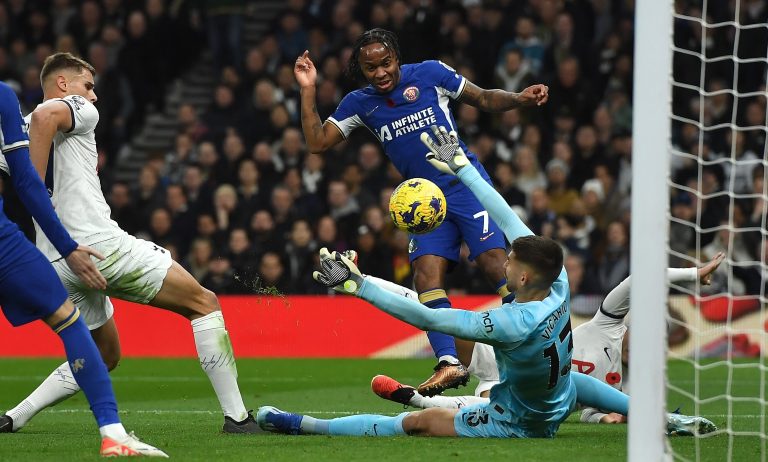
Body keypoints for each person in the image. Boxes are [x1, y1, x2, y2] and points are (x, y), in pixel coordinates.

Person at [254, 126, 635, 439]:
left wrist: (359, 286)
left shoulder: (510, 322)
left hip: (521, 422)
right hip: (557, 397)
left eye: (510, 260)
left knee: (415, 425)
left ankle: (306, 425)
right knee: (570, 384)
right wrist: (464, 168)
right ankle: (666, 418)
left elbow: (431, 320)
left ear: (523, 276)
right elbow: (505, 216)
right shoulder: (558, 282)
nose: (503, 261)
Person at [0, 52, 258, 434]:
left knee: (104, 354)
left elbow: (17, 155)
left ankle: (13, 417)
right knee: (204, 303)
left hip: (56, 261)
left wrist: (30, 187)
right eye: (88, 85)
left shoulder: (15, 135)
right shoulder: (76, 110)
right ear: (63, 84)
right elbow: (44, 116)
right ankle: (238, 419)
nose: (94, 96)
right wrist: (34, 182)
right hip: (98, 247)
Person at [294, 28, 550, 396]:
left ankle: (535, 351)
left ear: (397, 57)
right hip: (426, 203)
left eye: (386, 63)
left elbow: (484, 98)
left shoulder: (430, 73)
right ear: (361, 70)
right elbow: (317, 142)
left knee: (497, 262)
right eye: (371, 68)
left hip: (466, 185)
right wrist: (307, 90)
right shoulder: (359, 103)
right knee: (426, 276)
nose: (380, 73)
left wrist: (519, 99)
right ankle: (450, 363)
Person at [369, 252, 725, 427]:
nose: (638, 345)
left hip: (525, 389)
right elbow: (638, 280)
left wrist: (605, 420)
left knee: (482, 413)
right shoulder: (609, 325)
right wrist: (693, 274)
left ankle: (413, 398)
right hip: (508, 350)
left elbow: (589, 411)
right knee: (435, 316)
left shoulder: (628, 387)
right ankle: (361, 280)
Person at [0, 81, 165, 456]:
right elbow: (27, 182)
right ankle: (113, 433)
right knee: (69, 321)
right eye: (89, 86)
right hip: (7, 242)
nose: (94, 95)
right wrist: (68, 247)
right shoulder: (6, 97)